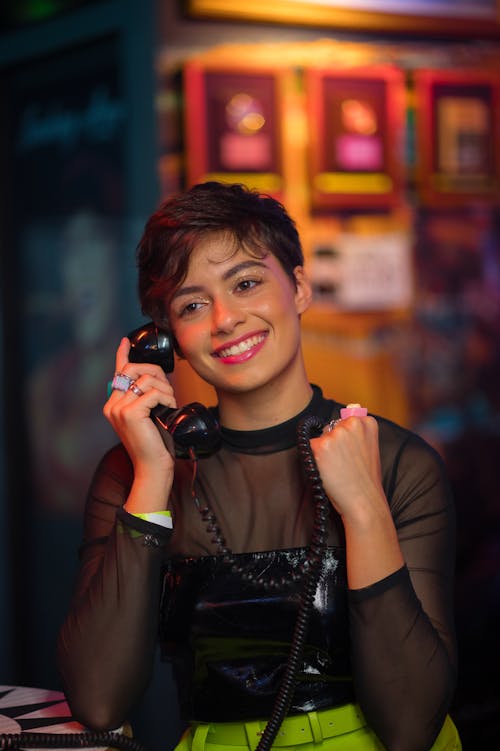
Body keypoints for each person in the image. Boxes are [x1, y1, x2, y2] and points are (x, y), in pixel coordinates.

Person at [57, 182, 461, 751]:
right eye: (194, 305)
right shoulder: (133, 474)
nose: (226, 319)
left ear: (297, 287)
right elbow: (99, 701)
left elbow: (411, 723)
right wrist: (152, 477)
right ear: (167, 341)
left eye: (246, 283)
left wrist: (364, 508)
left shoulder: (398, 463)